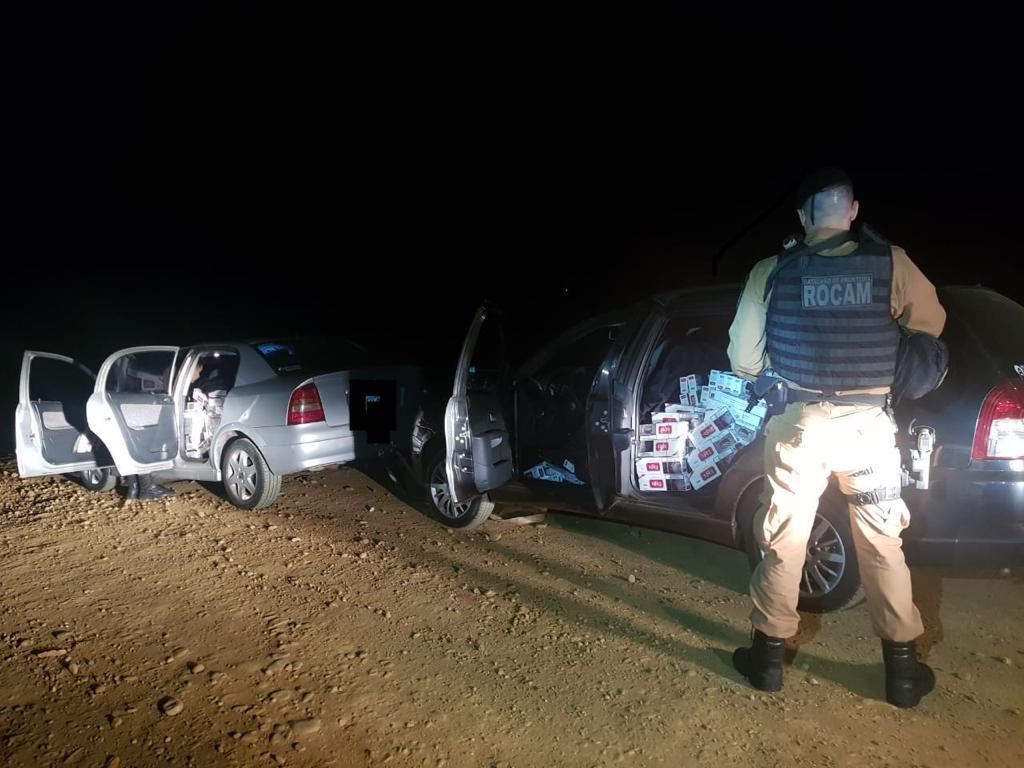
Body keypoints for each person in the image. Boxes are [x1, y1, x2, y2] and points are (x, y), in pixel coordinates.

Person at [727, 167, 946, 708]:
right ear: (852, 211)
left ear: (802, 216)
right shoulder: (892, 262)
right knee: (882, 542)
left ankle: (767, 661)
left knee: (784, 537)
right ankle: (902, 673)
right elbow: (931, 326)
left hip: (800, 426)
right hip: (869, 429)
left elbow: (743, 360)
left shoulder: (771, 270)